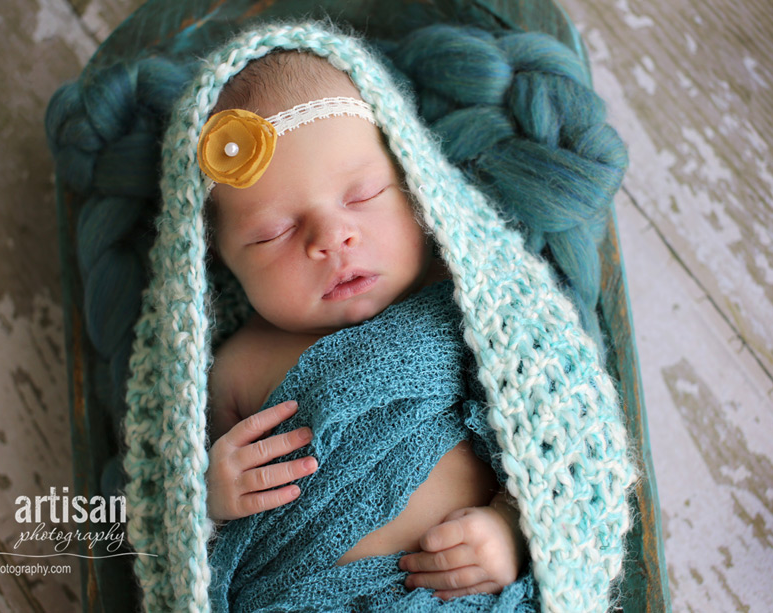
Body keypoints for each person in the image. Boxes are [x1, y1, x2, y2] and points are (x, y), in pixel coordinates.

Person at [201, 50, 533, 608]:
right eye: (272, 233)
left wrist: (510, 532)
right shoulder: (234, 368)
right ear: (223, 264)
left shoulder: (467, 310)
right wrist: (209, 494)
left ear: (415, 187)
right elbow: (179, 527)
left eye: (363, 196)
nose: (331, 238)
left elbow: (544, 448)